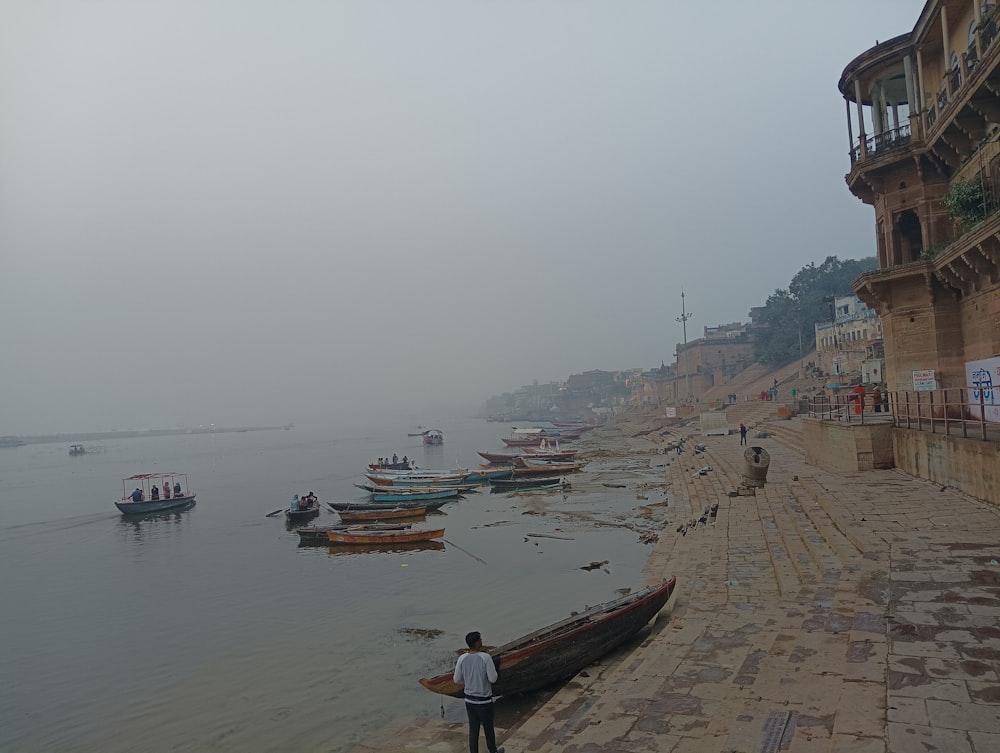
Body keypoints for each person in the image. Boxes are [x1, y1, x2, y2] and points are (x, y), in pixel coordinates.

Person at [453, 631, 504, 753]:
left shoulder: (462, 658)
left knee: (473, 730)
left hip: (469, 700)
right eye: (480, 640)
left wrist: (470, 682)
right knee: (488, 729)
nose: (482, 642)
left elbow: (456, 679)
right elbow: (493, 679)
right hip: (484, 701)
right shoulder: (485, 657)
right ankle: (493, 751)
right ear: (476, 643)